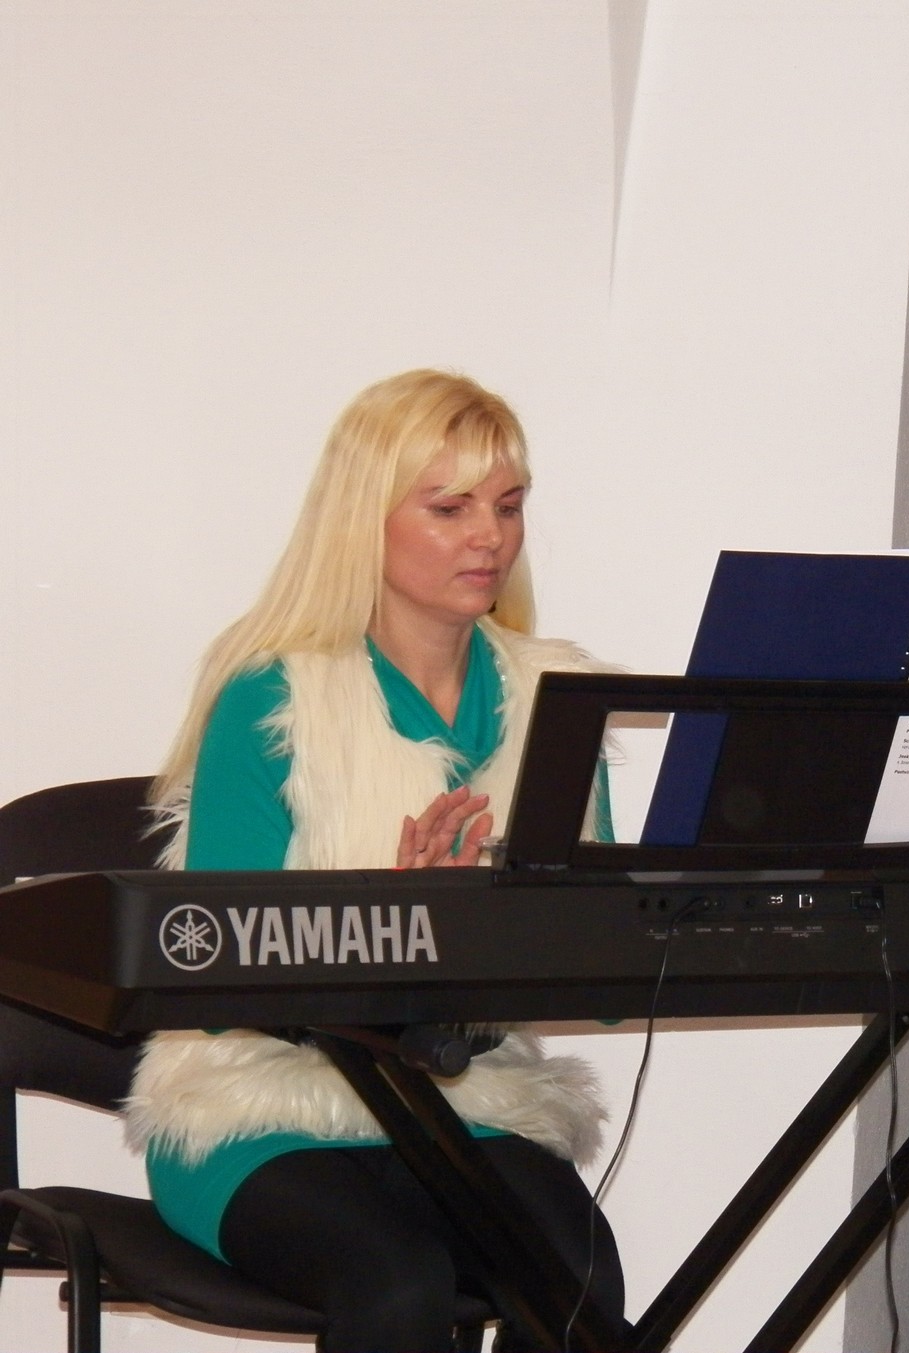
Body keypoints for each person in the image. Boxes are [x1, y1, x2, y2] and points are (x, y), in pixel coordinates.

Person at [122, 370, 627, 1352]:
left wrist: (497, 920)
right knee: (395, 1283)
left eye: (507, 505)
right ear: (366, 519)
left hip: (468, 1104)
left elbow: (603, 972)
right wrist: (386, 919)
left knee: (579, 1284)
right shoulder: (272, 699)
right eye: (450, 507)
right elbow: (209, 980)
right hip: (254, 1107)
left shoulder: (557, 697)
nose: (489, 536)